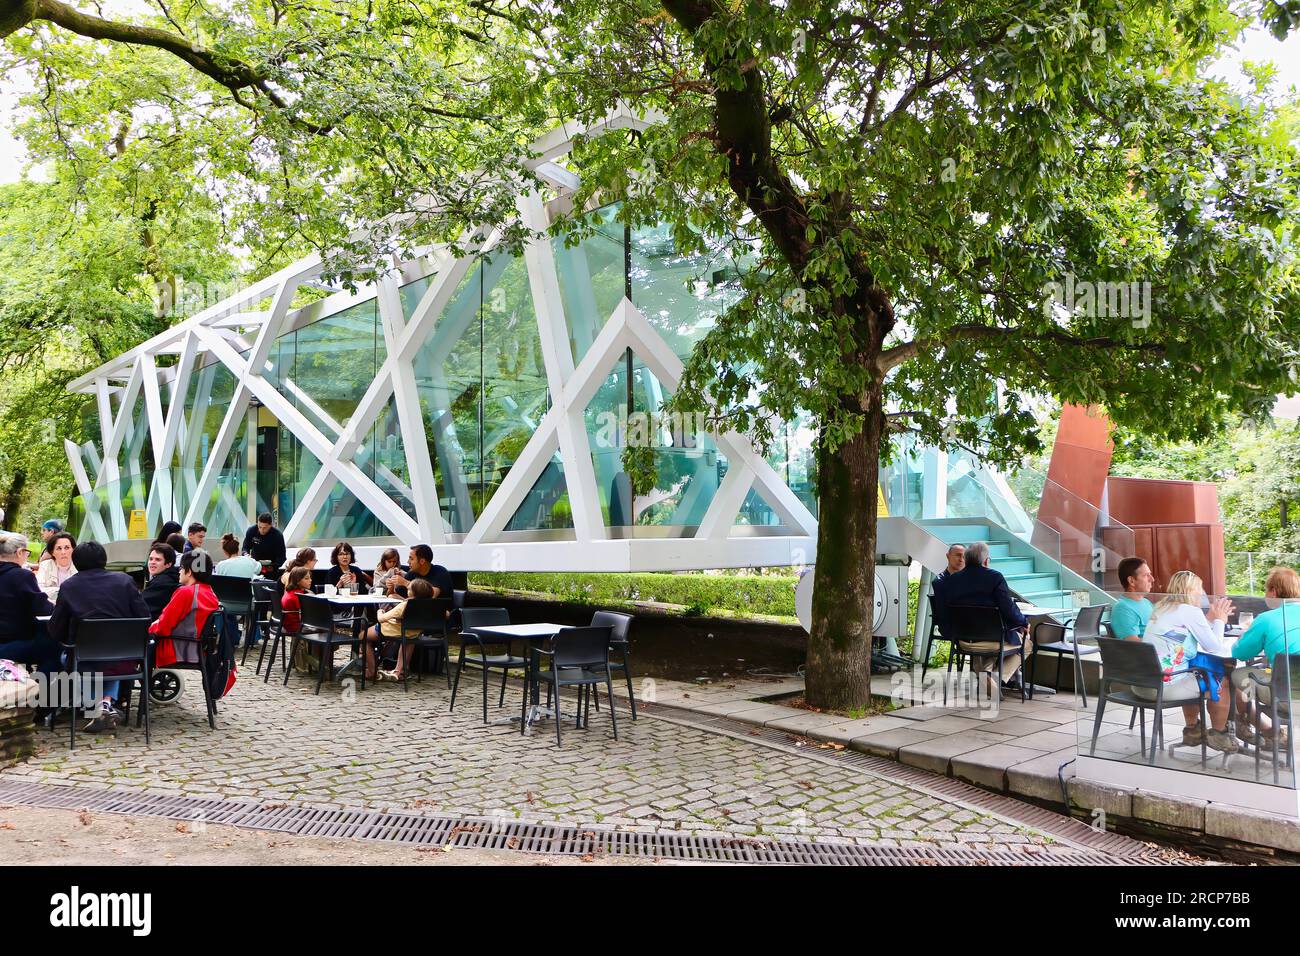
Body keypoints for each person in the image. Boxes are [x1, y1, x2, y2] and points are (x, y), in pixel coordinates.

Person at [46, 542, 151, 734]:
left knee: (70, 656)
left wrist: (66, 637)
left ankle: (95, 708)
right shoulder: (124, 581)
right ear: (104, 560)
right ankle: (104, 705)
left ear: (76, 562)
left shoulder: (70, 586)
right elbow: (145, 617)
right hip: (124, 658)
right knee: (110, 657)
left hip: (84, 659)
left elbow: (56, 628)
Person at [1141, 570, 1236, 753]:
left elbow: (1186, 633)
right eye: (1199, 588)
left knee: (1193, 671)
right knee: (1221, 680)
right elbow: (1214, 647)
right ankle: (1219, 735)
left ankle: (1192, 730)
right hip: (1163, 687)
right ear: (1191, 589)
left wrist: (1210, 619)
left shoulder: (1160, 607)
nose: (1202, 593)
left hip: (1141, 684)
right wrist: (1220, 621)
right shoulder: (1190, 611)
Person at [931, 540, 1031, 692]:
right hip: (992, 639)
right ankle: (996, 677)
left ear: (967, 558)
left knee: (992, 646)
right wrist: (1023, 622)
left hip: (962, 639)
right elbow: (1008, 608)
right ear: (985, 560)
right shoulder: (995, 578)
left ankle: (986, 675)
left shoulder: (950, 581)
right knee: (1027, 644)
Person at [1231, 566, 1300, 746]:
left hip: (1286, 697)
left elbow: (1239, 653)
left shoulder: (1266, 618)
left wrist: (1242, 638)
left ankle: (1264, 730)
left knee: (1238, 676)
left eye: (1266, 590)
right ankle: (1271, 732)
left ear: (1274, 592)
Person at [149, 550, 220, 673]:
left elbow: (164, 626)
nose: (179, 571)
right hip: (197, 648)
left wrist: (148, 628)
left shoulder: (185, 592)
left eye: (182, 567)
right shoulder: (210, 592)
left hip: (174, 648)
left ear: (189, 571)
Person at [0, 532, 57, 679]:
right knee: (54, 648)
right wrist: (54, 604)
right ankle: (38, 690)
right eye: (27, 552)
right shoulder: (22, 576)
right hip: (10, 644)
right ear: (19, 552)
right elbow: (43, 609)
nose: (27, 557)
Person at [362, 578, 433, 681]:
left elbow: (381, 619)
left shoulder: (405, 605)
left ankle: (371, 671)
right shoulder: (429, 605)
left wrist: (380, 611)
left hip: (393, 630)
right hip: (413, 633)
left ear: (411, 592)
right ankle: (398, 671)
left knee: (362, 636)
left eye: (409, 589)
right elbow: (446, 614)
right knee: (408, 641)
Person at [216, 533, 262, 648]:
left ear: (225, 551)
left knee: (222, 605)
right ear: (238, 548)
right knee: (256, 604)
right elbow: (259, 568)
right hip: (247, 604)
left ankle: (232, 638)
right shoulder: (250, 562)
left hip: (227, 605)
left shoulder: (221, 565)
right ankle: (253, 638)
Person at [1111, 557, 1156, 640]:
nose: (1152, 579)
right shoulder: (1123, 608)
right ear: (1131, 581)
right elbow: (1133, 644)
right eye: (1146, 575)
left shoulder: (1146, 602)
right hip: (1147, 652)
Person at [384, 544, 452, 598]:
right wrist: (391, 588)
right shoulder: (412, 573)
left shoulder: (440, 572)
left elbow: (433, 594)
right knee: (391, 596)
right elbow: (394, 595)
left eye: (411, 559)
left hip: (438, 610)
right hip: (415, 609)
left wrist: (406, 583)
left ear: (422, 561)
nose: (408, 562)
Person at [141, 543, 181, 618]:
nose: (152, 562)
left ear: (168, 564)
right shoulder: (171, 578)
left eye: (158, 559)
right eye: (151, 559)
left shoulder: (162, 583)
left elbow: (140, 606)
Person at [35, 531, 77, 601]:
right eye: (59, 548)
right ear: (52, 552)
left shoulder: (79, 565)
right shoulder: (45, 565)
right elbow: (38, 589)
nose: (63, 552)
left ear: (73, 549)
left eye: (67, 548)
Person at [280, 566, 311, 637]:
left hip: (287, 625)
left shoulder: (290, 592)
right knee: (327, 627)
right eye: (306, 578)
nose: (310, 580)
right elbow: (303, 618)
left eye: (310, 578)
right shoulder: (298, 596)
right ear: (297, 581)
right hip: (294, 627)